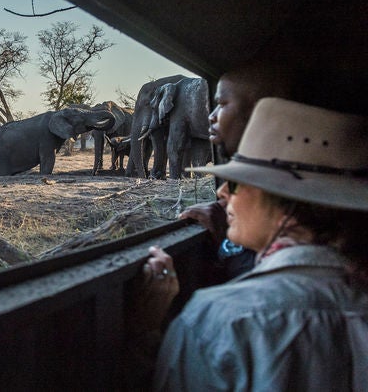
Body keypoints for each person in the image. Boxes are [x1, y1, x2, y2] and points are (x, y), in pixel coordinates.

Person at [140, 98, 368, 389]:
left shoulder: (218, 320)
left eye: (236, 183)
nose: (222, 193)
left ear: (291, 210)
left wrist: (144, 333)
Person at [180, 62, 300, 281]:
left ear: (258, 112)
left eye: (222, 104)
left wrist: (228, 239)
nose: (212, 116)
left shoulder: (286, 177)